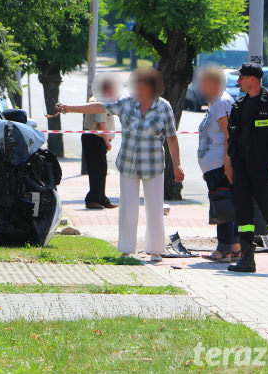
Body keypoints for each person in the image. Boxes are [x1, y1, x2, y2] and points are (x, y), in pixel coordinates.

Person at [57, 67, 184, 261]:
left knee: (155, 208)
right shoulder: (126, 103)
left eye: (141, 83)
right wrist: (70, 108)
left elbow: (172, 137)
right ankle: (126, 249)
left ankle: (156, 249)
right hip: (128, 163)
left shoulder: (164, 106)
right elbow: (99, 107)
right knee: (127, 208)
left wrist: (177, 165)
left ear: (152, 87)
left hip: (154, 165)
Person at [226, 62, 268, 273]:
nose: (238, 81)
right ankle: (247, 258)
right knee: (243, 214)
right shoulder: (239, 105)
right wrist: (229, 166)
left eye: (241, 77)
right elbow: (232, 140)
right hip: (242, 168)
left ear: (252, 79)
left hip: (265, 168)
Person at [196, 65, 240, 262]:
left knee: (223, 206)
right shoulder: (216, 103)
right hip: (214, 166)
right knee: (225, 204)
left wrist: (227, 164)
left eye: (203, 81)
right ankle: (235, 247)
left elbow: (228, 135)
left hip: (220, 166)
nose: (200, 85)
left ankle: (224, 250)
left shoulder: (222, 102)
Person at [82, 75, 119, 209]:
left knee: (101, 170)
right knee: (97, 170)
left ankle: (101, 198)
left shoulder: (101, 100)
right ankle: (93, 199)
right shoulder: (99, 101)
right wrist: (107, 141)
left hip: (96, 138)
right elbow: (101, 123)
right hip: (95, 138)